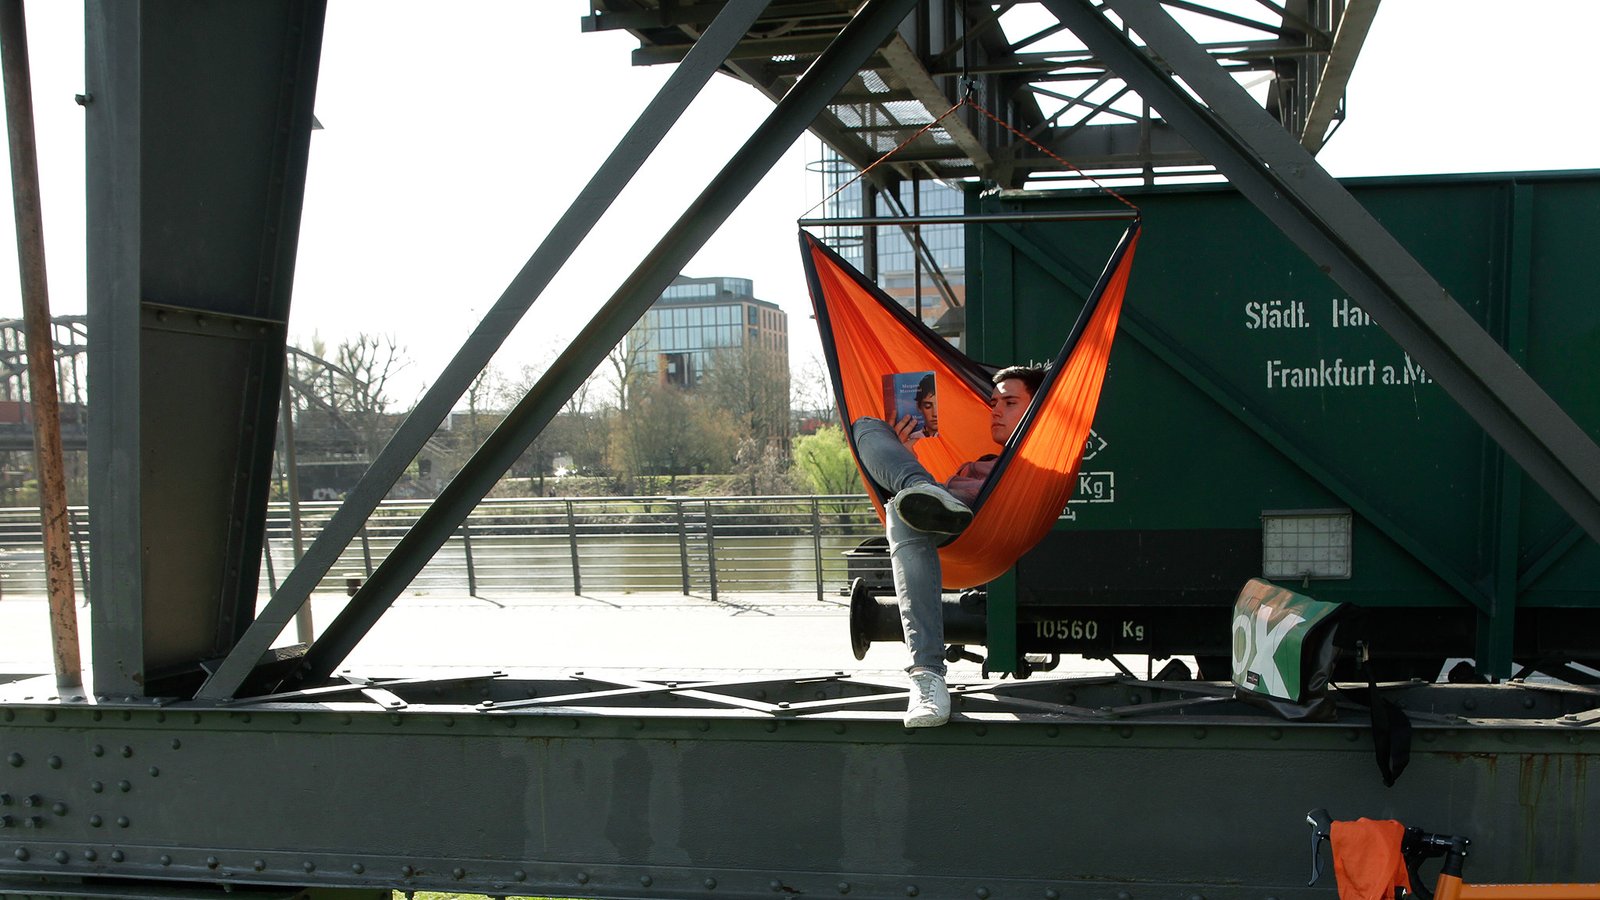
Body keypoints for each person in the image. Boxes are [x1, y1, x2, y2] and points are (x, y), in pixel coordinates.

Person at [852, 363, 1046, 727]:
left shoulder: (1036, 466)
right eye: (993, 404)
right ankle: (918, 487)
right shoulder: (977, 465)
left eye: (1009, 403)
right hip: (946, 515)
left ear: (1039, 409)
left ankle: (927, 675)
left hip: (984, 523)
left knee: (902, 513)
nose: (996, 411)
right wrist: (905, 453)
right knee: (866, 427)